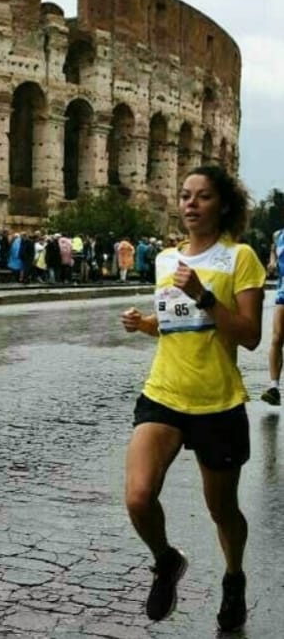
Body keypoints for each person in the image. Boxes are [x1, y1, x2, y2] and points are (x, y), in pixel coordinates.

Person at [120, 164, 264, 632]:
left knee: (222, 510)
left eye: (202, 197)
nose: (190, 204)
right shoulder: (166, 260)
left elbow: (248, 336)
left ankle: (234, 577)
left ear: (222, 204)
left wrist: (204, 295)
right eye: (184, 196)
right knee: (139, 497)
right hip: (163, 393)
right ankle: (166, 561)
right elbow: (174, 324)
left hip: (217, 402)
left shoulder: (240, 258)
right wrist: (146, 324)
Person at [259, 226, 284, 406]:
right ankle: (273, 388)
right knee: (276, 338)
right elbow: (273, 251)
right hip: (283, 291)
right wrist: (272, 262)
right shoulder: (278, 235)